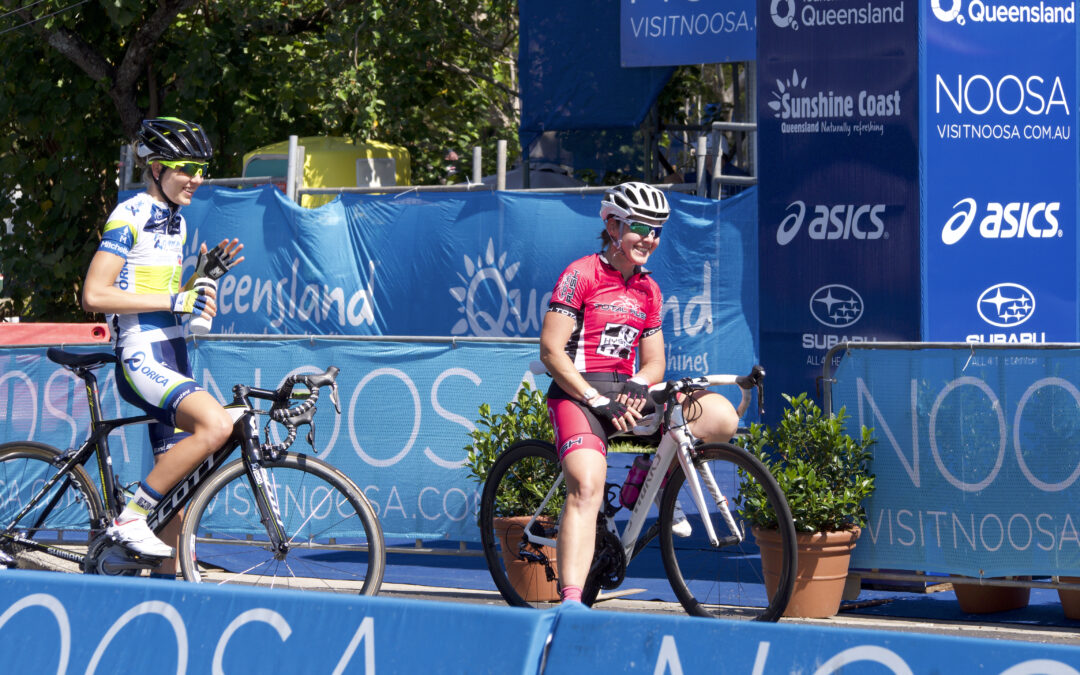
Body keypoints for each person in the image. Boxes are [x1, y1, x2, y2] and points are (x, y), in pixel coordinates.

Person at [538, 181, 740, 606]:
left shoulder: (648, 289)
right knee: (588, 488)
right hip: (578, 396)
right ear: (612, 225)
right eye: (640, 227)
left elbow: (653, 363)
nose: (649, 238)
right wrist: (595, 400)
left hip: (625, 393)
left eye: (657, 230)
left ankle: (651, 475)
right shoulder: (580, 274)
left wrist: (639, 382)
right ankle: (572, 604)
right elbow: (552, 352)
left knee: (719, 416)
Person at [81, 117, 243, 576]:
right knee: (215, 427)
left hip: (174, 354)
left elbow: (165, 300)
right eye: (186, 168)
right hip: (142, 356)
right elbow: (94, 295)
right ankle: (129, 518)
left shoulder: (178, 223)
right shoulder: (129, 215)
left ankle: (165, 607)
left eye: (201, 168)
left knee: (178, 508)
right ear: (155, 168)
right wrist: (177, 297)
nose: (198, 178)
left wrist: (201, 278)